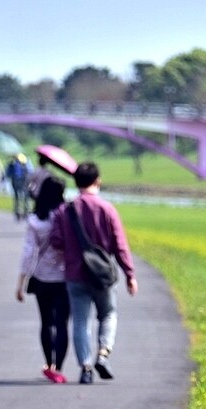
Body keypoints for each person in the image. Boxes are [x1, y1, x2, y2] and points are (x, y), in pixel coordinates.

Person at [50, 161, 138, 384]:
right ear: (98, 181)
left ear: (76, 182)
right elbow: (120, 245)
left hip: (75, 274)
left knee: (80, 320)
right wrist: (130, 274)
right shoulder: (107, 209)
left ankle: (86, 367)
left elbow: (56, 241)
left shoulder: (65, 210)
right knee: (108, 314)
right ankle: (103, 353)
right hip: (102, 275)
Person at [15, 176, 70, 384]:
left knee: (46, 323)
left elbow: (29, 253)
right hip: (65, 277)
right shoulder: (66, 216)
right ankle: (60, 368)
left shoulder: (35, 221)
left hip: (41, 278)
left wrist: (20, 283)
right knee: (63, 324)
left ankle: (50, 364)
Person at [5, 153, 31, 220]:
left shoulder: (13, 163)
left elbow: (7, 174)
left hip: (16, 181)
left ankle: (19, 211)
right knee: (25, 196)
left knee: (17, 197)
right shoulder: (25, 162)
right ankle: (25, 211)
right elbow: (30, 171)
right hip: (23, 181)